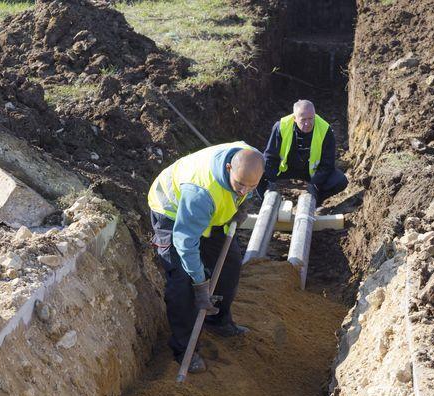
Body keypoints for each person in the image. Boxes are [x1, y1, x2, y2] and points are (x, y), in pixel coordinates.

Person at [148, 141, 264, 373]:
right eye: (240, 185)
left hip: (210, 212)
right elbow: (185, 242)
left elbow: (247, 187)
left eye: (250, 187)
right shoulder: (201, 192)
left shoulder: (253, 160)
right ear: (229, 168)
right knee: (182, 282)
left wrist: (242, 204)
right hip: (172, 212)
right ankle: (184, 351)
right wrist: (200, 283)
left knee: (229, 264)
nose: (243, 191)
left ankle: (218, 321)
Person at [257, 100, 348, 205]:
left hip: (311, 171)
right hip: (285, 168)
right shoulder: (281, 127)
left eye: (311, 119)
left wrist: (314, 184)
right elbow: (270, 157)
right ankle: (267, 204)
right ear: (294, 119)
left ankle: (315, 202)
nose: (307, 123)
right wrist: (270, 180)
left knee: (340, 180)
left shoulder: (325, 130)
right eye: (303, 120)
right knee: (257, 171)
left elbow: (327, 165)